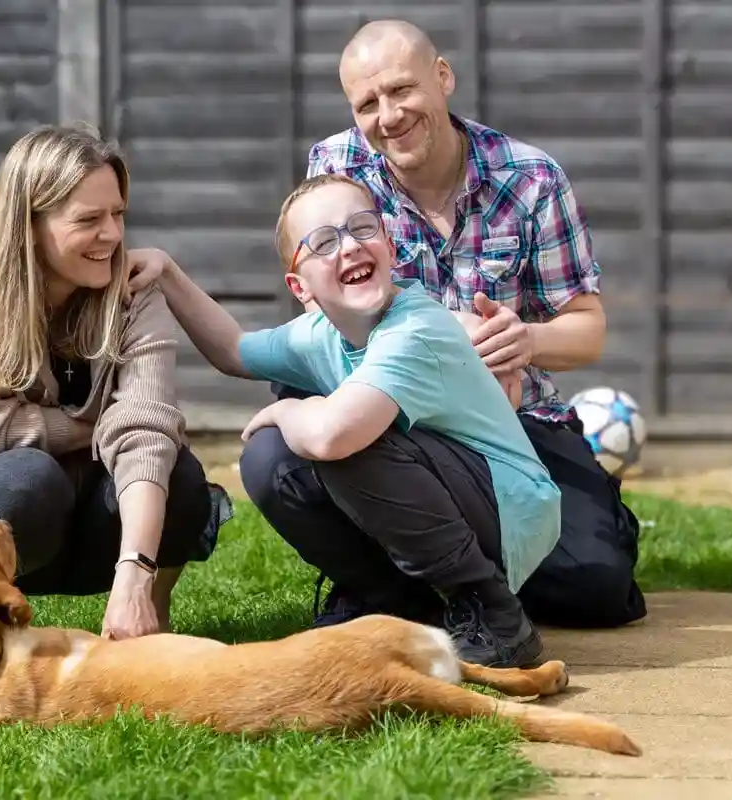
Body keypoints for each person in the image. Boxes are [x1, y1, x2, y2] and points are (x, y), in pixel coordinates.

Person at [276, 19, 646, 630]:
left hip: (516, 420)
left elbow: (588, 328)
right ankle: (393, 588)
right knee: (283, 459)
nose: (388, 116)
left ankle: (441, 575)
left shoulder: (532, 179)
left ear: (443, 77)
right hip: (391, 408)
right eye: (367, 103)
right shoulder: (336, 167)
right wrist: (447, 337)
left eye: (402, 90)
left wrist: (525, 340)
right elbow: (322, 309)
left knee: (598, 590)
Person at [128, 172, 562, 668]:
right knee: (268, 459)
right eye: (324, 242)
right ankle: (390, 600)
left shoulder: (414, 329)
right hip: (450, 495)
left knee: (335, 438)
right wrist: (166, 272)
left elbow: (334, 435)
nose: (350, 247)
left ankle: (495, 615)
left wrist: (291, 408)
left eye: (362, 228)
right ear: (300, 285)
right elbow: (233, 350)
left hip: (510, 511)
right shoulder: (321, 334)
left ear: (391, 247)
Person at [0, 123, 230, 642]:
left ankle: (146, 614)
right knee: (28, 477)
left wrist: (134, 571)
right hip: (12, 516)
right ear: (29, 225)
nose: (113, 235)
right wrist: (94, 423)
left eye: (118, 214)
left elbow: (145, 430)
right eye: (89, 219)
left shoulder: (135, 287)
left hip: (102, 523)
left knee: (176, 473)